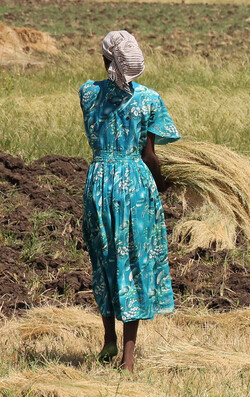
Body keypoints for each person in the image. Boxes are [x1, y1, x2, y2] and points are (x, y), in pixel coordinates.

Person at [79, 30, 180, 372]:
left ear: (105, 60)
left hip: (99, 183)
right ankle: (128, 358)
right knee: (132, 264)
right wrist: (164, 181)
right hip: (135, 186)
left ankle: (108, 339)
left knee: (105, 259)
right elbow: (149, 155)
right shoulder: (149, 99)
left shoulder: (87, 93)